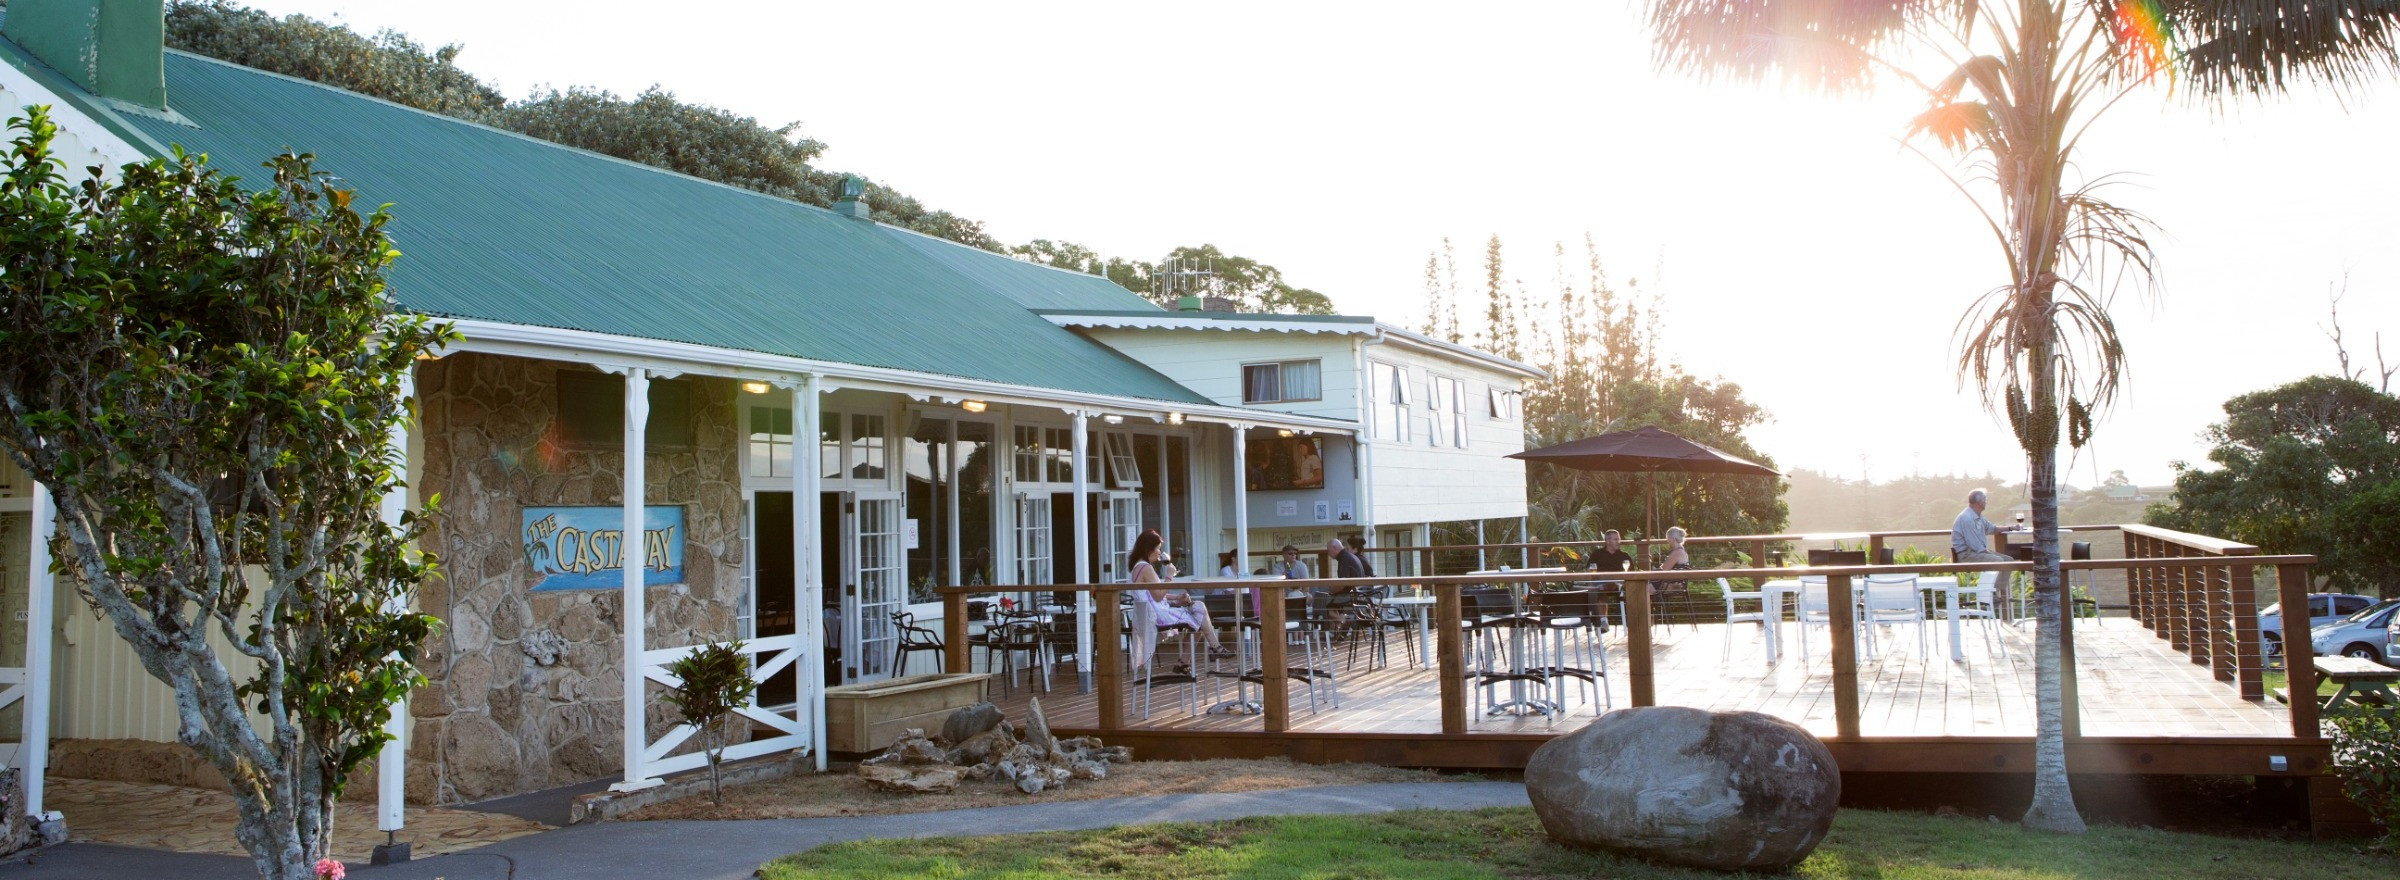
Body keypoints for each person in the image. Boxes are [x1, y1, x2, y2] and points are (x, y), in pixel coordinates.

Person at [1128, 529, 1223, 662]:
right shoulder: (1146, 568)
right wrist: (1169, 576)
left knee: (1198, 611)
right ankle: (1210, 650)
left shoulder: (1137, 567)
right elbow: (1158, 597)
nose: (1160, 552)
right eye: (1158, 548)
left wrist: (1177, 598)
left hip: (1149, 614)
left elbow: (1153, 595)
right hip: (1157, 616)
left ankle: (1207, 651)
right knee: (1199, 612)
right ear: (1149, 548)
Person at [1951, 488, 2014, 563]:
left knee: (2009, 560)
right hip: (1966, 555)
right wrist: (1989, 553)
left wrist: (2011, 528)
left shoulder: (1977, 516)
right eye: (1984, 499)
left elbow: (1993, 529)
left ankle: (1992, 575)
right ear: (1979, 502)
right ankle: (1992, 575)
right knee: (1998, 560)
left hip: (1976, 553)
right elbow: (1975, 545)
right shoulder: (1967, 518)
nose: (1986, 502)